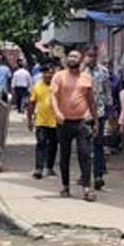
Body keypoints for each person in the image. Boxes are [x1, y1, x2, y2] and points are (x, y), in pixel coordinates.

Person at [50, 50, 98, 201]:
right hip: (64, 122)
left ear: (80, 59)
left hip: (82, 122)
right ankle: (65, 186)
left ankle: (86, 188)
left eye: (75, 56)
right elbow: (53, 96)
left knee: (85, 154)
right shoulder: (59, 76)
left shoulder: (86, 78)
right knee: (65, 155)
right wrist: (57, 112)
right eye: (70, 56)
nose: (72, 58)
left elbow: (91, 101)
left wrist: (96, 120)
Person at [85, 47, 113, 190]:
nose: (92, 58)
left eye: (94, 56)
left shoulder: (103, 72)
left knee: (98, 145)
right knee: (84, 146)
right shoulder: (79, 72)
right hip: (82, 114)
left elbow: (108, 93)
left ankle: (98, 176)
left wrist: (110, 111)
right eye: (89, 55)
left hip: (100, 113)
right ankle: (85, 175)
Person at [28, 63, 59, 179]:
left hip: (55, 121)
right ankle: (39, 168)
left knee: (53, 145)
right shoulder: (37, 87)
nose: (49, 75)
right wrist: (29, 119)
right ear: (43, 74)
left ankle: (49, 167)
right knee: (41, 143)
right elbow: (31, 104)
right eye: (47, 73)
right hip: (41, 121)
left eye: (51, 73)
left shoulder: (57, 87)